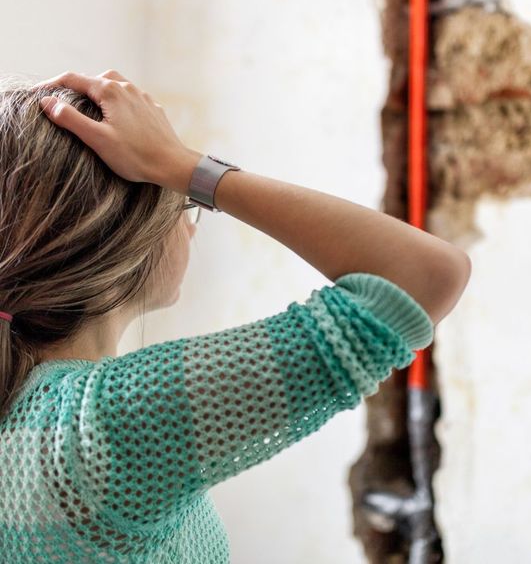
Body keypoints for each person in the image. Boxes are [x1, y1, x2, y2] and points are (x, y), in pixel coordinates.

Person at [0, 69, 471, 563]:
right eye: (185, 202)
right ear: (118, 240)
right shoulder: (108, 425)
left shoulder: (33, 417)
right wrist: (183, 165)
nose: (191, 224)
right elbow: (427, 274)